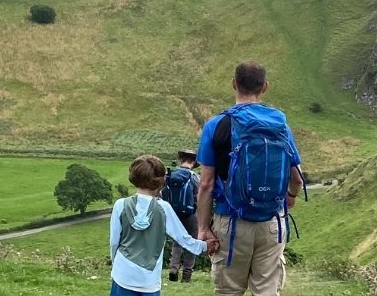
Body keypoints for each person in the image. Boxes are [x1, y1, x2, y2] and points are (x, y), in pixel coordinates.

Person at [197, 61, 305, 296]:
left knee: (229, 291)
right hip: (271, 222)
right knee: (266, 291)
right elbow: (296, 178)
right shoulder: (281, 126)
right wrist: (290, 197)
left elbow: (206, 184)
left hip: (230, 221)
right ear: (264, 87)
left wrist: (204, 228)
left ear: (233, 84)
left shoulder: (216, 125)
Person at [110, 155, 207, 296]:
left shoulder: (120, 205)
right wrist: (207, 246)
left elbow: (114, 242)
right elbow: (184, 239)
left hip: (122, 275)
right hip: (149, 281)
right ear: (161, 181)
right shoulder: (164, 208)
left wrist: (115, 265)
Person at [162, 149, 202, 283]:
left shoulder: (171, 174)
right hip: (190, 214)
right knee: (192, 241)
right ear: (194, 162)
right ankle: (186, 275)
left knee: (177, 240)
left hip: (173, 213)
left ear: (181, 160)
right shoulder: (194, 176)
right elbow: (200, 195)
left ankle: (173, 268)